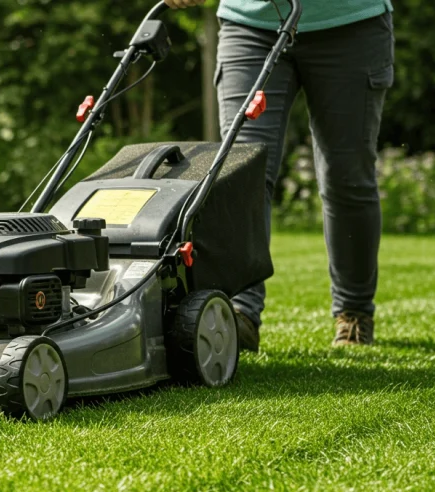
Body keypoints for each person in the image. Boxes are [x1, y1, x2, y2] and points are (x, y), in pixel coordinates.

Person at [164, 0, 395, 350]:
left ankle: (354, 312)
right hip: (251, 25)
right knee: (241, 178)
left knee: (346, 179)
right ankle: (240, 314)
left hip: (349, 24)